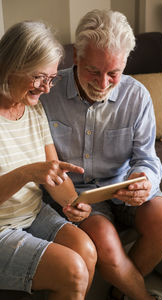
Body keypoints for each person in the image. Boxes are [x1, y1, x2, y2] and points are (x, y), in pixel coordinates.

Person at [41, 9, 162, 300]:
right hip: (79, 198)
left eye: (113, 73)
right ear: (75, 57)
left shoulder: (137, 95)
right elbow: (40, 162)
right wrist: (65, 199)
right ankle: (142, 297)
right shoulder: (47, 94)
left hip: (123, 187)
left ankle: (120, 293)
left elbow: (147, 158)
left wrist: (145, 181)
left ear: (125, 64)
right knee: (104, 237)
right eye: (93, 70)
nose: (102, 83)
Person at [0, 21, 97, 300]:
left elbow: (54, 174)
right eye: (40, 77)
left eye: (52, 79)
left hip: (32, 213)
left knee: (87, 251)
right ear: (12, 65)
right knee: (73, 270)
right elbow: (35, 172)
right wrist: (27, 173)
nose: (47, 88)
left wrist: (72, 203)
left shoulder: (34, 110)